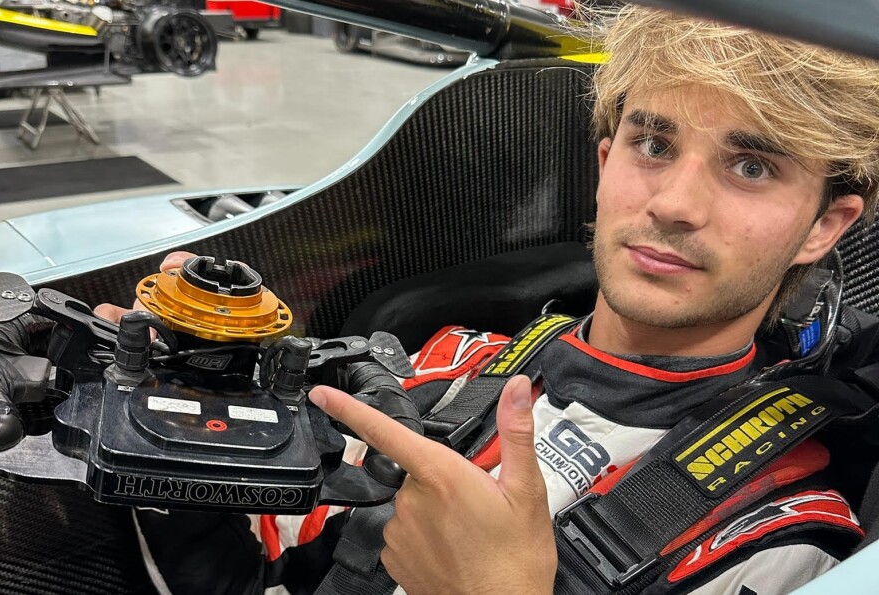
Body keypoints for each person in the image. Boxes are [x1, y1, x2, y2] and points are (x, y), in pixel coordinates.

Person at [97, 4, 879, 594]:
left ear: (824, 225)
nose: (674, 202)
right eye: (654, 143)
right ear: (605, 163)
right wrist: (173, 422)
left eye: (750, 167)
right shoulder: (446, 364)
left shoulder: (786, 539)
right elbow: (254, 572)